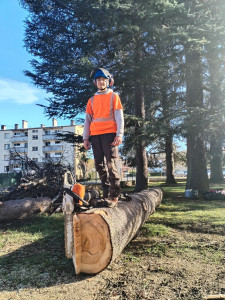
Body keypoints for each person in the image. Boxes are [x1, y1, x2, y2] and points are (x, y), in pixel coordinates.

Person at [83, 67, 124, 207]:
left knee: (111, 164)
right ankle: (106, 193)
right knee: (99, 165)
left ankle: (114, 196)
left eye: (104, 80)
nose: (101, 82)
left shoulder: (114, 96)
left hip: (110, 135)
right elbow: (87, 120)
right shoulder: (92, 100)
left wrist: (119, 134)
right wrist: (86, 138)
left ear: (109, 81)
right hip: (95, 136)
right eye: (99, 80)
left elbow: (119, 117)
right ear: (96, 82)